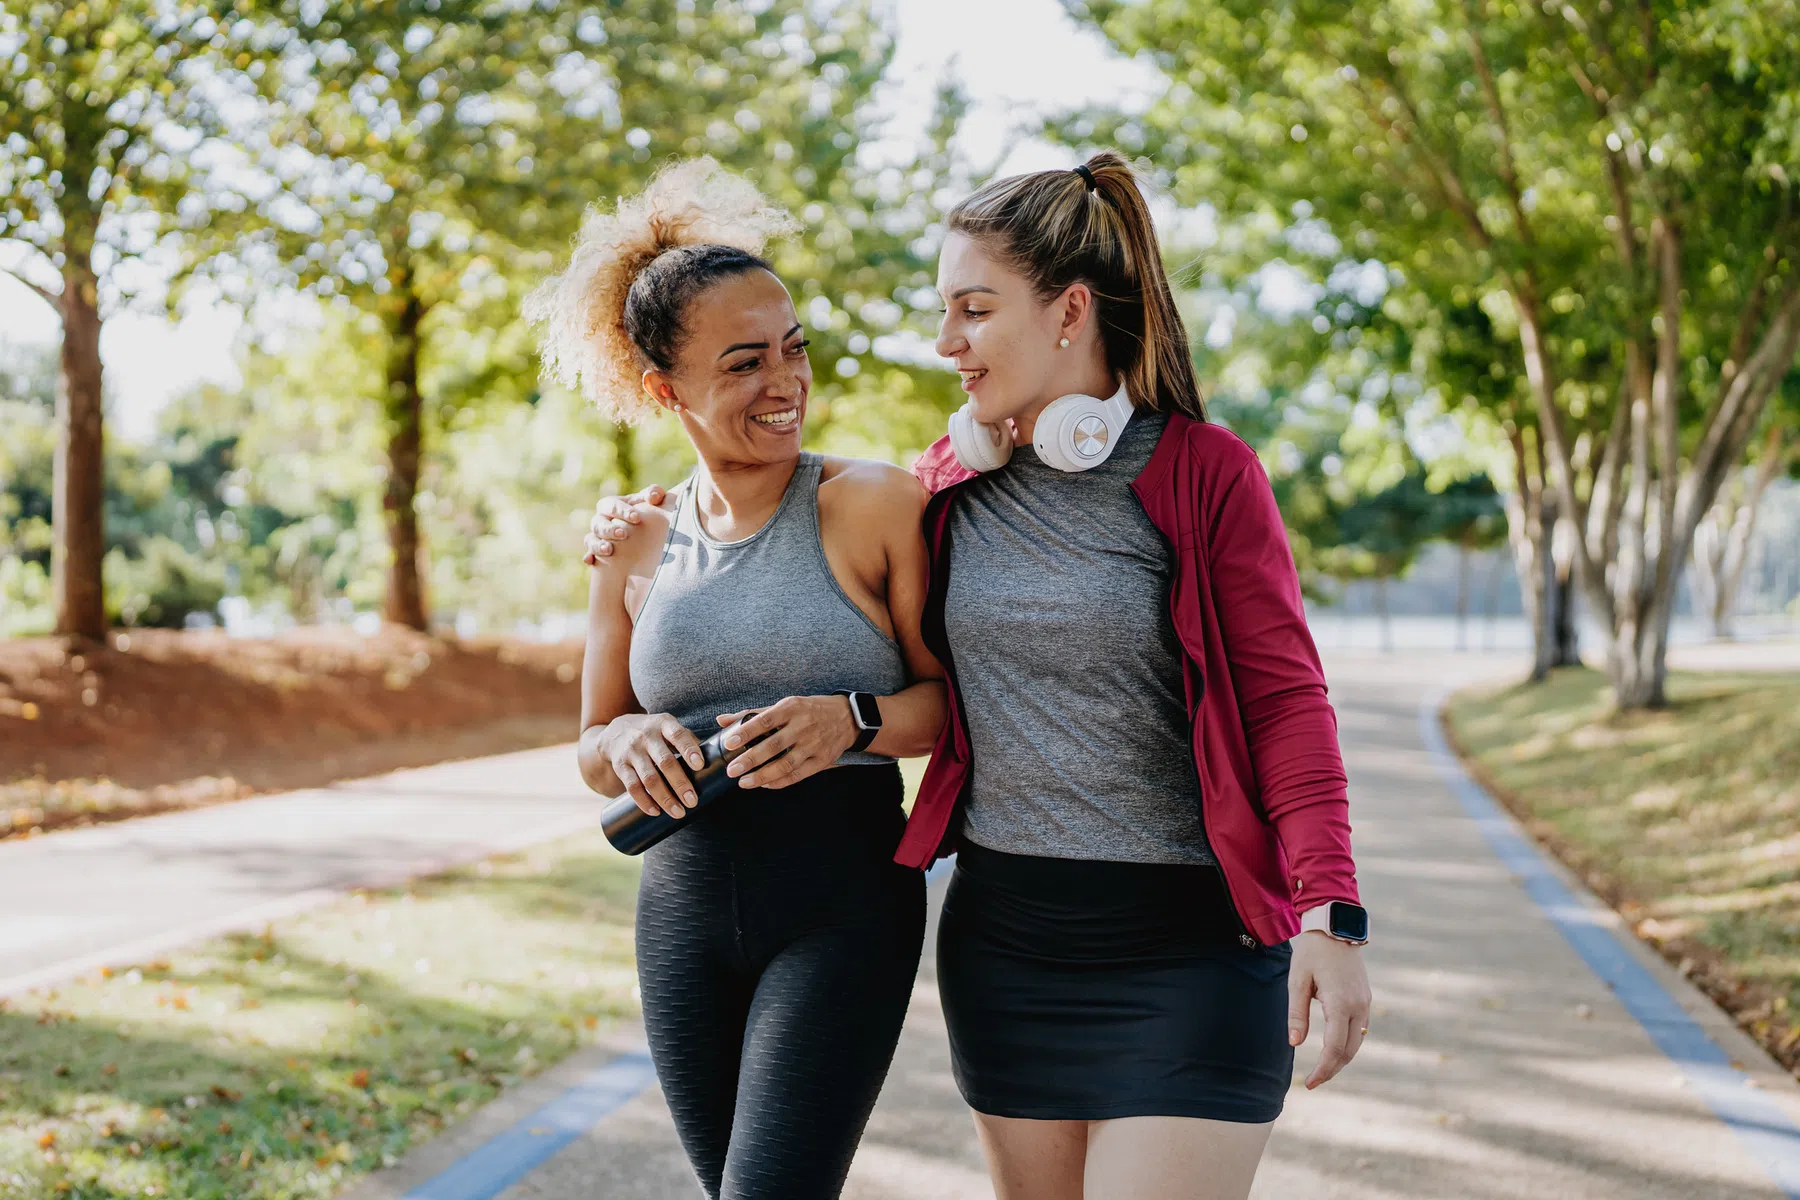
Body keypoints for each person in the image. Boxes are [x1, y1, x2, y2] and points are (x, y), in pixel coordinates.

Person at [582, 151, 1371, 1200]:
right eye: (943, 310)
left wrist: (1330, 914)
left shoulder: (1203, 473)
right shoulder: (948, 486)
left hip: (1194, 947)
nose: (946, 341)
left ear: (1069, 311)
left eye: (973, 310)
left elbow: (1285, 705)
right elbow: (768, 568)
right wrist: (639, 541)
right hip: (1009, 949)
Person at [533, 157, 946, 1200]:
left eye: (794, 348)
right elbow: (592, 746)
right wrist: (625, 739)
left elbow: (951, 707)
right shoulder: (632, 540)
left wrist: (852, 721)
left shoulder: (874, 505)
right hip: (679, 914)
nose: (786, 383)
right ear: (664, 390)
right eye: (746, 363)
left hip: (844, 907)